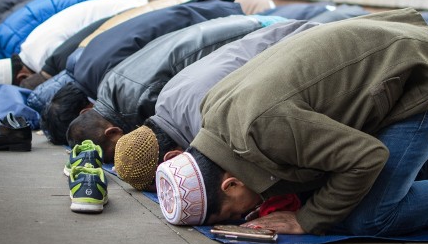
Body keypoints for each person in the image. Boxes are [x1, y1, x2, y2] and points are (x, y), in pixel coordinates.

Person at [155, 8, 428, 237]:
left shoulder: (266, 129)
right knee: (325, 190)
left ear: (231, 185)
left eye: (236, 214)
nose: (248, 214)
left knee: (369, 218)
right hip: (383, 57)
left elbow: (367, 158)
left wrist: (307, 221)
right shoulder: (212, 115)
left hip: (416, 71)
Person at [113, 18, 321, 191]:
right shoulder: (165, 99)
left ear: (173, 157)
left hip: (314, 52)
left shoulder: (207, 129)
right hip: (293, 33)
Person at [63, 14, 280, 157]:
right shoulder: (107, 87)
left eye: (115, 153)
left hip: (259, 33)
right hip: (239, 26)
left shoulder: (139, 106)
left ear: (113, 132)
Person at [38, 0, 245, 144]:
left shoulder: (130, 99)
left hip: (216, 21)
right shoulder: (91, 71)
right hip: (197, 11)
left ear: (85, 112)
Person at [0, 0, 148, 88]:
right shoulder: (28, 47)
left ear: (21, 77)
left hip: (127, 13)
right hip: (118, 9)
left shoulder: (44, 58)